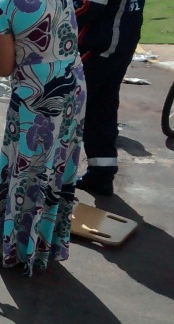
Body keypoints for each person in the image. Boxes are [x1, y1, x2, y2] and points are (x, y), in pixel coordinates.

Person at [0, 0, 87, 276]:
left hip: (37, 96)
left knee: (25, 171)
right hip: (72, 86)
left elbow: (3, 66)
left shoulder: (3, 6)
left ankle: (16, 251)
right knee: (57, 169)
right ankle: (46, 247)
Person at [73, 0, 145, 196]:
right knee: (101, 109)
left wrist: (53, 20)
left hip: (99, 47)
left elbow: (88, 6)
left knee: (68, 110)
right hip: (120, 46)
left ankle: (57, 182)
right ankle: (101, 174)